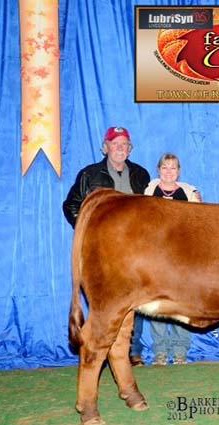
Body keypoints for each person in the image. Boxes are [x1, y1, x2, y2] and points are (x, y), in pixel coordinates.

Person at [63, 126, 150, 367]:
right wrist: (91, 232)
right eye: (115, 143)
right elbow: (70, 205)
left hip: (137, 247)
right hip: (104, 250)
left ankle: (132, 349)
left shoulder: (141, 175)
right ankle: (101, 348)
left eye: (124, 144)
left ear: (129, 149)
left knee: (139, 298)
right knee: (107, 303)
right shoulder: (89, 175)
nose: (120, 147)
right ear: (106, 147)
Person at [144, 153, 201, 366]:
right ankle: (160, 352)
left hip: (182, 256)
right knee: (157, 304)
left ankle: (180, 351)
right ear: (158, 170)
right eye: (165, 167)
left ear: (179, 171)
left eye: (173, 168)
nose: (169, 171)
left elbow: (198, 223)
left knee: (181, 305)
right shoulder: (148, 193)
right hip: (156, 255)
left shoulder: (189, 193)